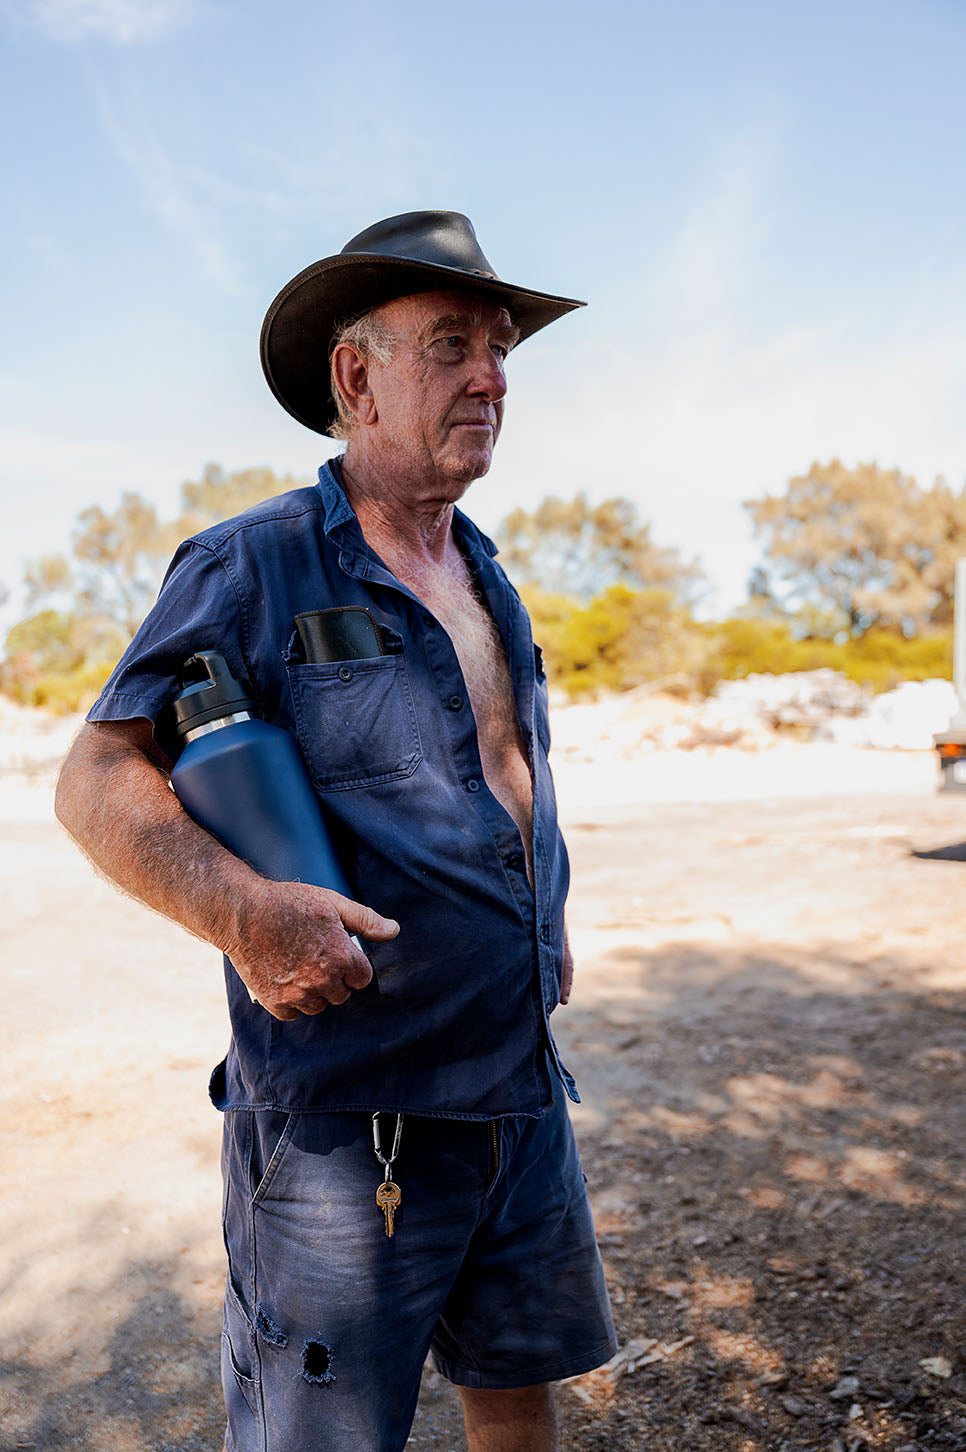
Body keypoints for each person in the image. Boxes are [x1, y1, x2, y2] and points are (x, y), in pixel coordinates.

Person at [55, 210, 617, 1452]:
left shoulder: (485, 574)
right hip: (342, 1142)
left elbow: (506, 769)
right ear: (356, 379)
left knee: (517, 1392)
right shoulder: (253, 564)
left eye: (504, 347)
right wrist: (240, 913)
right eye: (454, 344)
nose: (494, 376)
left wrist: (546, 920)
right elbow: (96, 775)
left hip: (520, 1098)